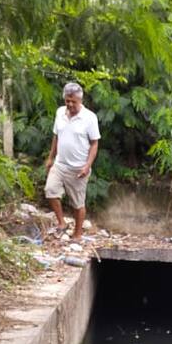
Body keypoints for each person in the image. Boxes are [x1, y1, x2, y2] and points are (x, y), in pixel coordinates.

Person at [45, 82, 100, 240]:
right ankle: (62, 223)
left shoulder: (89, 117)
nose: (69, 104)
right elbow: (56, 136)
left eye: (73, 101)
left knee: (77, 204)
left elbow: (94, 143)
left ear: (80, 100)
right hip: (60, 164)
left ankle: (77, 233)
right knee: (50, 191)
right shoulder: (60, 113)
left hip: (78, 169)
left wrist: (87, 166)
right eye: (67, 100)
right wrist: (50, 157)